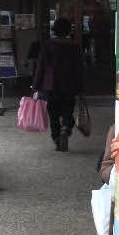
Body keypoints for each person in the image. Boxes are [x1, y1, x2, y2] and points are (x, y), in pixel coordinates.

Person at [32, 17, 83, 152]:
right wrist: (80, 87)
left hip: (50, 86)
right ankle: (65, 128)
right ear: (68, 31)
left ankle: (56, 138)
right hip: (69, 85)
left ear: (54, 30)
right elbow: (79, 68)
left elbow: (40, 67)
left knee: (53, 115)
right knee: (68, 111)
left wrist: (36, 85)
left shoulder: (47, 45)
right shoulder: (74, 47)